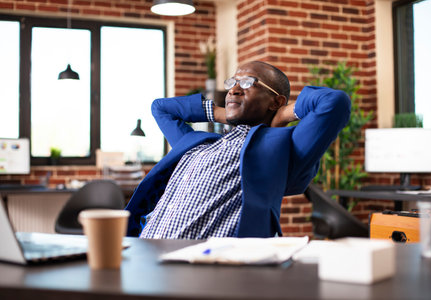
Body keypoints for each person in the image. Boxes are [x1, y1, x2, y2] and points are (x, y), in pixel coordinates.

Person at [125, 61, 351, 239]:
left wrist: (282, 114)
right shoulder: (198, 143)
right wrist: (225, 114)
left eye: (247, 83)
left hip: (198, 268)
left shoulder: (280, 147)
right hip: (143, 251)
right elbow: (161, 108)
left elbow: (335, 101)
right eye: (232, 83)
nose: (233, 90)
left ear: (275, 101)